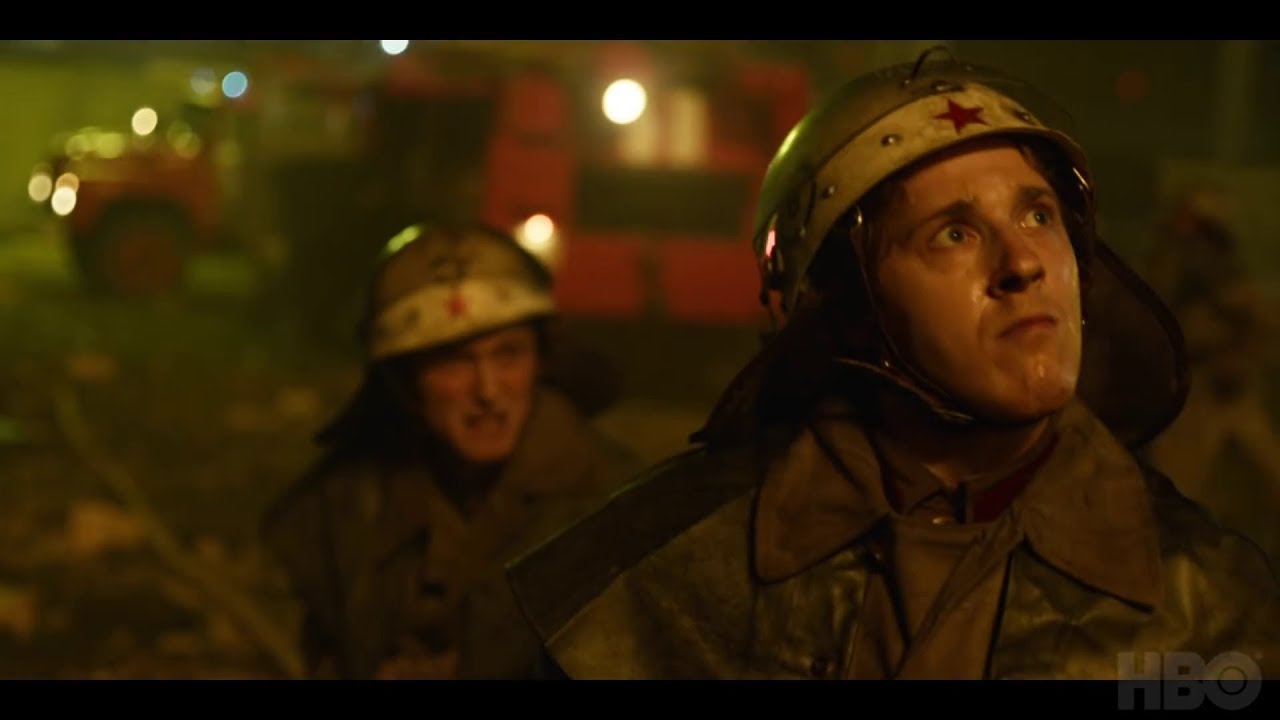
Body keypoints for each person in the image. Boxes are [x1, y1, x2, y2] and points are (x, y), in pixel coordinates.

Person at [505, 51, 1280, 680]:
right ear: (849, 305)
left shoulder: (1211, 603)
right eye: (953, 233)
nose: (1023, 263)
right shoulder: (660, 573)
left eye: (1038, 214)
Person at [261, 221, 637, 679]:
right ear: (404, 382)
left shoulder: (616, 506)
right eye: (454, 361)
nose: (488, 392)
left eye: (508, 354)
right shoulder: (345, 507)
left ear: (540, 362)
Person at [1145, 186, 1280, 564]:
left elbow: (1257, 323)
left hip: (1226, 395)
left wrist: (1237, 354)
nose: (1194, 245)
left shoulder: (1228, 282)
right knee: (1176, 497)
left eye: (1202, 234)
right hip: (1192, 395)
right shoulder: (1168, 275)